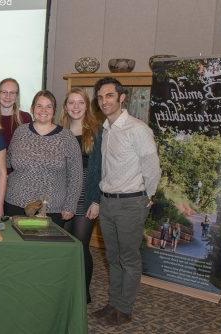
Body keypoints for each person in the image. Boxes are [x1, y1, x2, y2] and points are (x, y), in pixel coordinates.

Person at [91, 77, 161, 326]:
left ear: (122, 98)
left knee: (129, 258)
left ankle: (125, 308)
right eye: (100, 97)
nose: (104, 101)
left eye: (109, 95)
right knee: (113, 257)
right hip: (108, 202)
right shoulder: (106, 130)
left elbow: (152, 169)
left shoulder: (137, 129)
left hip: (131, 202)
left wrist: (147, 197)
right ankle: (113, 303)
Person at [4, 90, 82, 228]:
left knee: (46, 248)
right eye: (39, 106)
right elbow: (8, 161)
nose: (43, 110)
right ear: (32, 109)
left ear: (54, 110)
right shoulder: (20, 132)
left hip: (51, 208)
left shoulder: (67, 137)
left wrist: (70, 205)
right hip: (15, 203)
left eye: (48, 106)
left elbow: (76, 175)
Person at [60, 87, 102, 304]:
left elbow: (101, 169)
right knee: (64, 245)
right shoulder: (60, 131)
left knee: (80, 244)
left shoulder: (96, 132)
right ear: (65, 107)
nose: (75, 107)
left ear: (87, 106)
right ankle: (67, 289)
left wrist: (96, 200)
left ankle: (83, 295)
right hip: (63, 194)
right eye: (71, 102)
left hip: (86, 194)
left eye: (80, 102)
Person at [0, 78, 33, 147]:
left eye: (12, 93)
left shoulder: (26, 118)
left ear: (17, 96)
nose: (8, 96)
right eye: (4, 92)